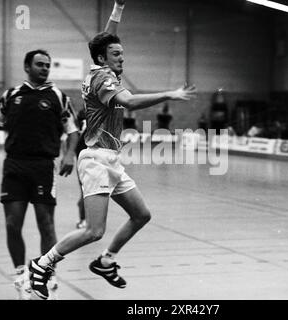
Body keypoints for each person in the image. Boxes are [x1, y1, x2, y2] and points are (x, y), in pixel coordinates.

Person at [27, 0, 196, 300]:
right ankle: (42, 265)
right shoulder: (103, 78)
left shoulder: (100, 66)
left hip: (111, 161)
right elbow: (130, 102)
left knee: (141, 214)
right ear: (103, 59)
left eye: (123, 54)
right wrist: (170, 93)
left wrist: (117, 9)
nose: (122, 58)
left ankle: (105, 261)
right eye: (117, 55)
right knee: (94, 230)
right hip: (95, 160)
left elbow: (106, 41)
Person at [0, 49, 79, 299]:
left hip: (43, 167)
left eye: (48, 65)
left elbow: (73, 130)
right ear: (27, 67)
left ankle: (48, 274)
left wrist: (68, 156)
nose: (45, 68)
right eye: (40, 64)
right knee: (13, 224)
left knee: (46, 224)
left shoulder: (58, 97)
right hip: (14, 166)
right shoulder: (12, 95)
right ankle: (22, 273)